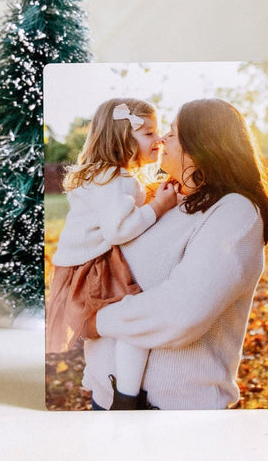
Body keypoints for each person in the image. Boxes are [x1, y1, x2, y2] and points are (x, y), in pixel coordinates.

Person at [83, 98, 268, 410]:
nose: (161, 140)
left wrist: (95, 320)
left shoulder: (234, 212)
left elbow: (180, 312)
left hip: (171, 414)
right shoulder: (166, 198)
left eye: (172, 133)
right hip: (104, 399)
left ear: (201, 146)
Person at [46, 98, 178, 410]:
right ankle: (126, 397)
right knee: (132, 321)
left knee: (125, 325)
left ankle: (118, 391)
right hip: (92, 268)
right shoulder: (113, 180)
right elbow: (118, 230)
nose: (159, 139)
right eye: (148, 133)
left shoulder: (108, 176)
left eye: (158, 132)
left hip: (88, 263)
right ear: (121, 139)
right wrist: (158, 207)